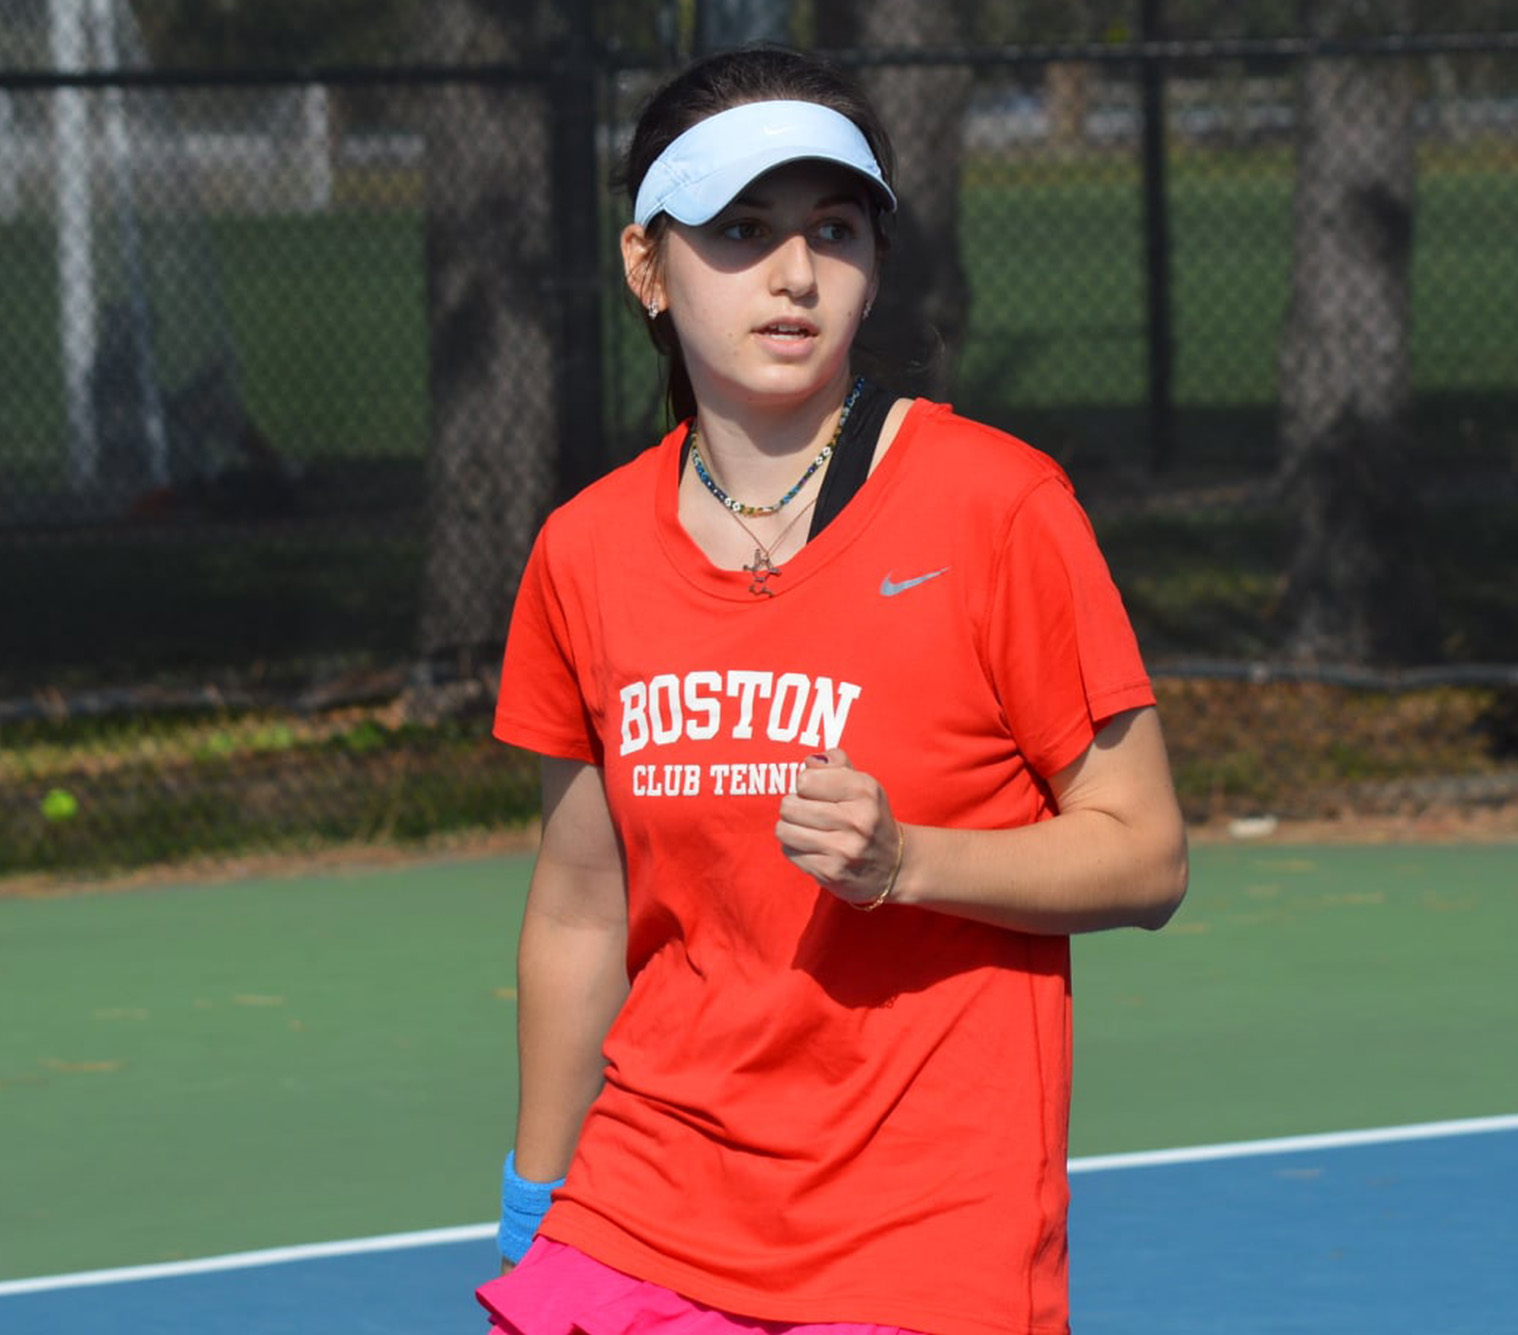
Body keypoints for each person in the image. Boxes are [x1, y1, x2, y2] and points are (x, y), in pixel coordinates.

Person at [475, 44, 1188, 1335]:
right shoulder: (582, 553)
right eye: (741, 230)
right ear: (647, 264)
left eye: (833, 230)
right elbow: (583, 907)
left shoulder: (999, 507)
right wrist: (535, 1198)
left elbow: (1146, 856)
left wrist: (909, 860)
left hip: (917, 1243)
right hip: (642, 1217)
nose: (795, 275)